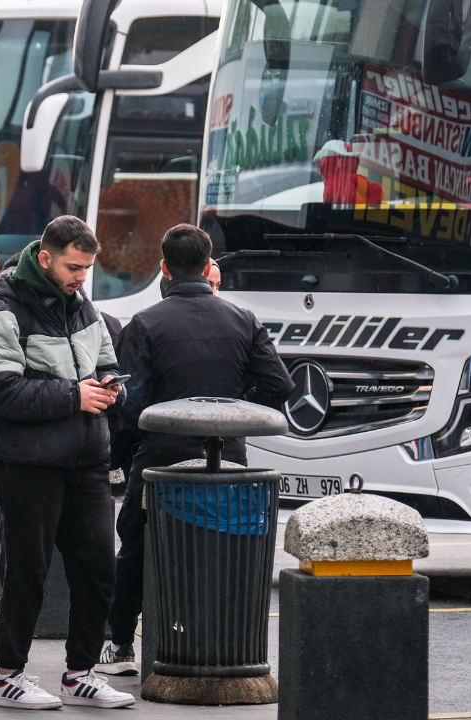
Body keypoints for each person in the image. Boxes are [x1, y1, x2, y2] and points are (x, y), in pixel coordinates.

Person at [98, 223, 294, 676]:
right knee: (221, 545)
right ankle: (217, 641)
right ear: (209, 267)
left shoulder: (145, 323)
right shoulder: (243, 319)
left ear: (163, 268)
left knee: (137, 545)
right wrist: (233, 407)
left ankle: (123, 644)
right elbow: (279, 386)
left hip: (160, 459)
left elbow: (130, 405)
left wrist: (122, 460)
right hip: (227, 457)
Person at [0, 215, 135, 710]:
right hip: (28, 464)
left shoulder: (85, 308)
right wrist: (73, 397)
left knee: (99, 569)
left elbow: (106, 360)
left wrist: (110, 385)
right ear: (45, 258)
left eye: (88, 268)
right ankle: (7, 677)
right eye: (74, 266)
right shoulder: (2, 310)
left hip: (86, 461)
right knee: (27, 571)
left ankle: (79, 673)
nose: (82, 276)